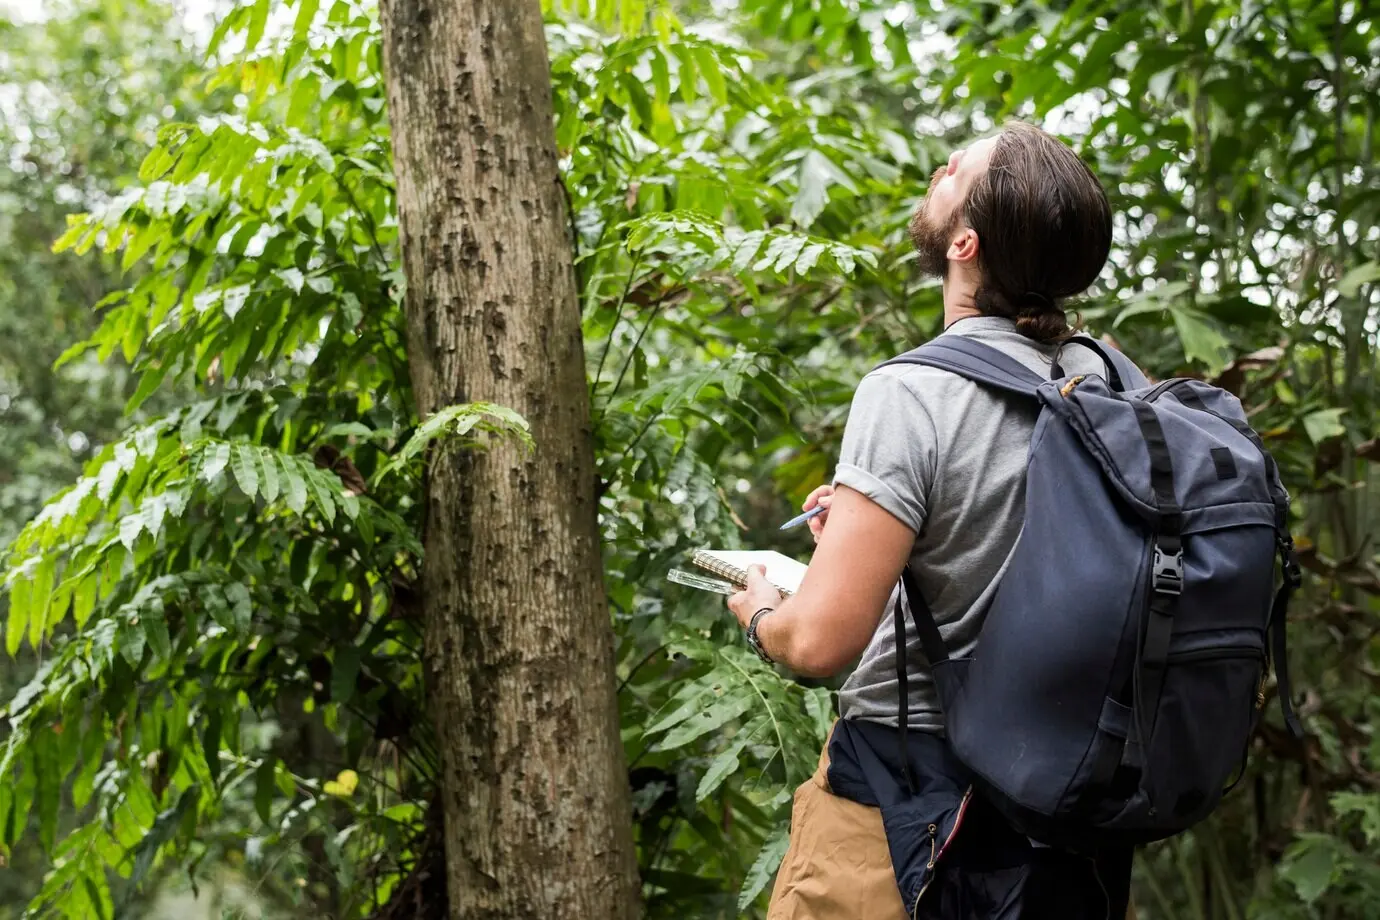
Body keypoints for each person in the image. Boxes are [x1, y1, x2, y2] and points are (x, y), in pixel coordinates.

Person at [727, 121, 1139, 919]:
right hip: (1070, 813)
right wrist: (871, 535)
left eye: (959, 170)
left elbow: (819, 644)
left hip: (901, 807)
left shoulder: (912, 392)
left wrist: (762, 614)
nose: (943, 165)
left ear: (965, 245)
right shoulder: (1114, 376)